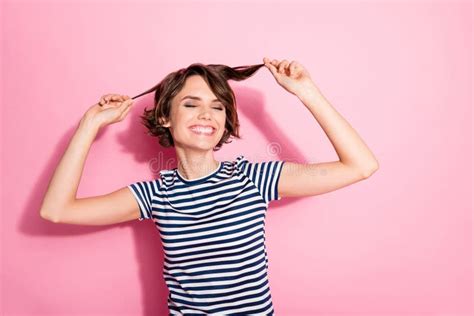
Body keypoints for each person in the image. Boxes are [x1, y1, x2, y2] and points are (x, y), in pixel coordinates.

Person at [40, 57, 379, 315]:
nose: (207, 114)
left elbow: (361, 166)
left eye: (217, 107)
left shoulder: (254, 179)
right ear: (165, 117)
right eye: (191, 104)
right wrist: (90, 124)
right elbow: (56, 210)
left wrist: (306, 91)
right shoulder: (154, 195)